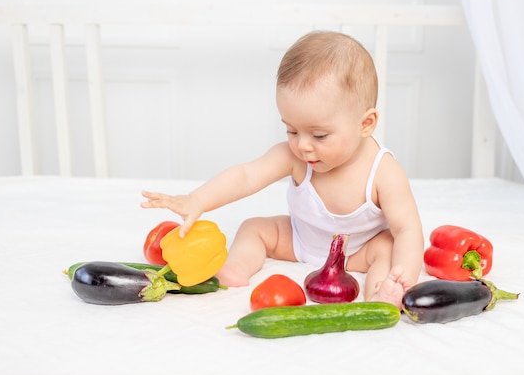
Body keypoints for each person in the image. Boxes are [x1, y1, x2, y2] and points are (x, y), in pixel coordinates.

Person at [141, 31, 424, 308]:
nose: (303, 145)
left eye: (319, 135)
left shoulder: (383, 171)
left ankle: (382, 292)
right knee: (255, 228)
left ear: (366, 124)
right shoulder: (295, 156)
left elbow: (407, 229)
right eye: (291, 130)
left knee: (387, 247)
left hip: (359, 253)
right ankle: (236, 267)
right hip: (299, 242)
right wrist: (197, 200)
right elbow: (246, 176)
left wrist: (405, 275)